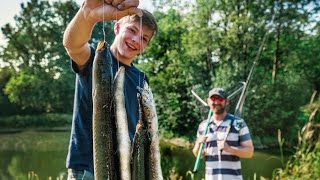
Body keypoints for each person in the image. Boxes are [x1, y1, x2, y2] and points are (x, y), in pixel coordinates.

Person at [62, 0, 158, 179]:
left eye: (144, 38)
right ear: (117, 28)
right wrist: (87, 15)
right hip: (89, 170)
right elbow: (73, 45)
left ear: (145, 46)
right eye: (132, 30)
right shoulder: (94, 59)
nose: (136, 40)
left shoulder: (141, 78)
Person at [192, 88, 254, 180]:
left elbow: (249, 152)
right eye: (213, 99)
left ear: (227, 101)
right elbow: (199, 155)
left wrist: (229, 149)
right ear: (208, 101)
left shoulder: (238, 123)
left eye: (220, 99)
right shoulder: (203, 126)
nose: (216, 102)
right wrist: (198, 144)